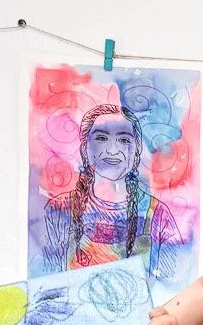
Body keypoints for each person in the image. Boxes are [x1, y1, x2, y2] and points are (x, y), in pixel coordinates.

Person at [37, 103, 191, 292]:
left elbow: (173, 288)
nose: (112, 150)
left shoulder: (157, 214)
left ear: (136, 151)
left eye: (124, 140)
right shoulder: (59, 210)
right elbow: (45, 284)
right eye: (101, 138)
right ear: (85, 147)